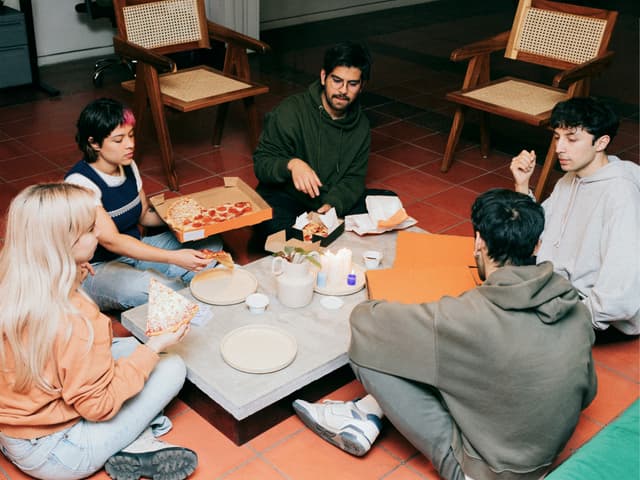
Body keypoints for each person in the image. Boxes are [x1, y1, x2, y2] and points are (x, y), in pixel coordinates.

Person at [293, 189, 597, 480]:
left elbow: (364, 322)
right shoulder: (575, 308)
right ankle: (366, 411)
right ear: (537, 245)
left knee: (376, 348)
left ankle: (365, 415)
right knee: (456, 358)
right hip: (543, 460)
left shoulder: (467, 316)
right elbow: (587, 394)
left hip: (481, 472)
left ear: (479, 242)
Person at [0, 183, 197, 480]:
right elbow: (98, 406)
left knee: (128, 349)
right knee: (171, 366)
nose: (99, 235)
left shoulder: (12, 278)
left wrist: (73, 275)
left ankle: (132, 439)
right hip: (59, 452)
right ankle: (138, 442)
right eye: (92, 229)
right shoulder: (78, 320)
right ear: (64, 243)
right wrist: (155, 346)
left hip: (13, 430)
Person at [66, 98, 223, 311]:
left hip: (135, 251)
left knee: (211, 243)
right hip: (98, 267)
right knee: (147, 288)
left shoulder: (128, 165)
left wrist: (191, 216)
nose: (130, 145)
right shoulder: (80, 182)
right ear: (94, 143)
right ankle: (173, 284)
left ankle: (171, 284)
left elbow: (145, 215)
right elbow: (112, 241)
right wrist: (174, 257)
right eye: (118, 140)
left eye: (131, 135)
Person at [511, 96, 640, 336]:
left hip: (593, 313)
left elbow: (620, 287)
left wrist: (577, 319)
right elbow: (535, 230)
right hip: (557, 285)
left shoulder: (620, 194)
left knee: (506, 328)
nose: (559, 148)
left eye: (571, 139)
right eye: (557, 137)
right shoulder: (572, 177)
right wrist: (522, 184)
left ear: (601, 142)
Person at [252, 41, 396, 244]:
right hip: (287, 199)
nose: (343, 90)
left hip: (327, 201)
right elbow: (262, 164)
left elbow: (354, 179)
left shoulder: (361, 126)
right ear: (323, 77)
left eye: (352, 84)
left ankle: (316, 235)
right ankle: (317, 236)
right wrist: (292, 165)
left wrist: (332, 205)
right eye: (337, 81)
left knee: (389, 201)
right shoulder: (291, 111)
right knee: (267, 223)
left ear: (362, 86)